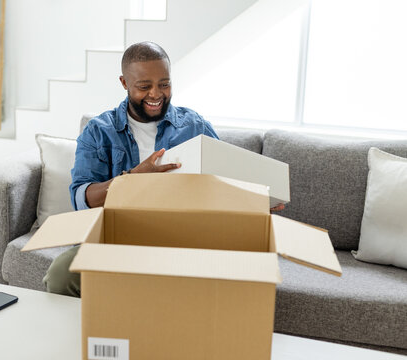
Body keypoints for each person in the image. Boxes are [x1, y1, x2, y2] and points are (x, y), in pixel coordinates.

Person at [43, 41, 281, 297]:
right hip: (118, 236)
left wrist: (253, 201)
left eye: (164, 84)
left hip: (185, 237)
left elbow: (225, 180)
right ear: (124, 83)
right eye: (144, 86)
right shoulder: (99, 131)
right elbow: (82, 199)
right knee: (61, 274)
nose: (156, 94)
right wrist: (132, 179)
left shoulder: (194, 126)